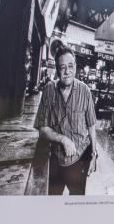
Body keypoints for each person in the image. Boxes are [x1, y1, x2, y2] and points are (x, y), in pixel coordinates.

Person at [34, 46, 98, 195]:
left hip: (80, 159)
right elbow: (42, 130)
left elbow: (91, 126)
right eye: (62, 67)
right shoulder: (49, 90)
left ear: (75, 67)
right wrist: (63, 139)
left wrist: (94, 155)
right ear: (57, 70)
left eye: (70, 66)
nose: (67, 71)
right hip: (56, 159)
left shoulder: (85, 91)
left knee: (76, 201)